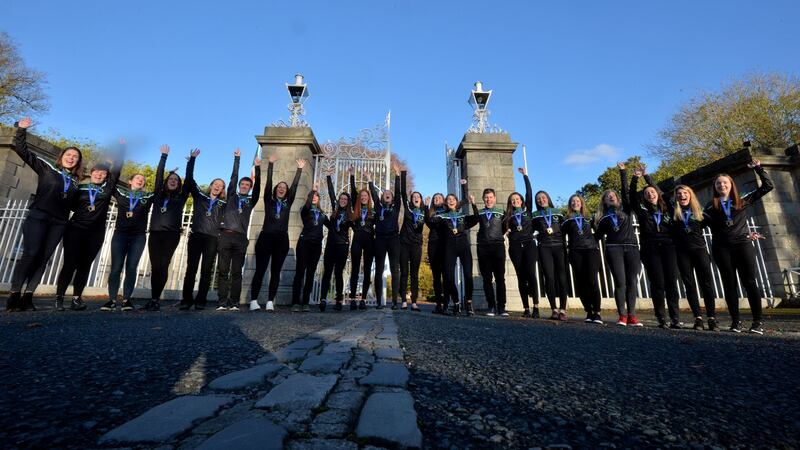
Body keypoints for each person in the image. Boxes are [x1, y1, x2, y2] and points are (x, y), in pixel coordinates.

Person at [6, 117, 83, 312]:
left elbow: (76, 204)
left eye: (75, 156)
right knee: (31, 253)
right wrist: (21, 131)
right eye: (69, 154)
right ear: (62, 156)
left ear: (78, 162)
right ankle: (14, 295)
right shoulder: (47, 167)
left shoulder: (75, 182)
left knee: (44, 257)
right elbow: (23, 151)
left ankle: (28, 296)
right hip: (39, 216)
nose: (71, 157)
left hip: (59, 222)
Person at [705, 159, 773, 334]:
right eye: (718, 183)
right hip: (721, 248)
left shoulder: (742, 199)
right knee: (729, 284)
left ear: (731, 184)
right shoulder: (710, 206)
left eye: (725, 182)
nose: (722, 185)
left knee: (750, 282)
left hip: (742, 245)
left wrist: (758, 168)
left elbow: (767, 186)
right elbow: (698, 225)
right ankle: (736, 322)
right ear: (715, 187)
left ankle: (757, 322)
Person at [54, 149, 123, 311]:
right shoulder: (80, 188)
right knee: (69, 264)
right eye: (97, 172)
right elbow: (68, 205)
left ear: (106, 176)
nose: (99, 175)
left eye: (103, 173)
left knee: (85, 266)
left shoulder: (107, 189)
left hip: (96, 233)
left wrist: (121, 151)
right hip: (75, 230)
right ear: (91, 173)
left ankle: (76, 299)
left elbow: (116, 171)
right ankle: (59, 298)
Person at [102, 147, 164, 311]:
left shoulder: (147, 197)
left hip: (138, 236)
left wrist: (163, 158)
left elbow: (158, 186)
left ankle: (127, 300)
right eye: (137, 178)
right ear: (130, 181)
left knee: (131, 267)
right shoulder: (121, 193)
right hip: (120, 234)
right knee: (116, 267)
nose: (140, 180)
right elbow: (111, 180)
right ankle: (112, 300)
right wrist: (119, 154)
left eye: (142, 179)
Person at [144, 146, 196, 312]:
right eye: (171, 179)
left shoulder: (181, 197)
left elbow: (188, 180)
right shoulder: (158, 195)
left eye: (176, 179)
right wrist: (163, 157)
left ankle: (156, 299)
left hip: (171, 235)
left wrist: (191, 161)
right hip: (155, 234)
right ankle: (153, 298)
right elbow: (159, 176)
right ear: (167, 182)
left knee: (163, 265)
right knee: (155, 267)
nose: (173, 181)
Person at [630, 165, 682, 328]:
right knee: (658, 283)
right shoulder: (642, 210)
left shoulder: (667, 205)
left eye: (652, 192)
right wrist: (635, 178)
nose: (650, 194)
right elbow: (632, 196)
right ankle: (661, 317)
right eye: (646, 194)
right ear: (644, 198)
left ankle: (675, 317)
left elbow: (662, 192)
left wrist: (647, 177)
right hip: (650, 247)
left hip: (668, 246)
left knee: (671, 283)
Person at [249, 156, 304, 311]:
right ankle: (253, 300)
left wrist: (299, 170)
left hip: (281, 239)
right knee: (260, 269)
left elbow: (294, 186)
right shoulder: (269, 200)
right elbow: (267, 184)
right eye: (279, 187)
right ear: (275, 190)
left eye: (284, 188)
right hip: (265, 237)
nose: (281, 189)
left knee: (276, 270)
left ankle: (270, 301)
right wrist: (270, 165)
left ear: (286, 192)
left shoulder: (288, 202)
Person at [595, 162, 642, 327]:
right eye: (607, 196)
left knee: (632, 282)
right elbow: (596, 237)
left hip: (632, 248)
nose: (611, 196)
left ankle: (632, 315)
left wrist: (624, 172)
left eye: (613, 194)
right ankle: (622, 315)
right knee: (620, 282)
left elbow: (626, 191)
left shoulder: (627, 210)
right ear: (605, 202)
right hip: (613, 249)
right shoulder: (603, 219)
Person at [216, 150, 260, 311]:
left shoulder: (250, 200)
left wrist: (258, 169)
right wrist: (237, 159)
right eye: (242, 184)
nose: (244, 186)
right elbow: (233, 178)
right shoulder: (232, 197)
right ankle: (222, 302)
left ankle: (234, 302)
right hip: (225, 236)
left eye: (247, 185)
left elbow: (259, 187)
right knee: (222, 271)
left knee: (236, 272)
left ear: (250, 188)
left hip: (240, 239)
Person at [182, 161, 227, 311]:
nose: (218, 186)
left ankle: (201, 300)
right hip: (196, 236)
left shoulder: (223, 204)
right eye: (216, 183)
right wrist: (192, 161)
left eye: (221, 185)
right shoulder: (200, 196)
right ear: (211, 185)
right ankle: (186, 300)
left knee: (206, 271)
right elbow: (189, 179)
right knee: (191, 269)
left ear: (222, 190)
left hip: (212, 239)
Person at [672, 185, 717, 331]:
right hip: (682, 253)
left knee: (706, 284)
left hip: (700, 251)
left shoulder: (700, 211)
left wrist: (745, 234)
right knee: (689, 285)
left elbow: (719, 226)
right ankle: (698, 318)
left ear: (690, 195)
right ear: (676, 197)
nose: (682, 196)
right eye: (679, 194)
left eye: (685, 193)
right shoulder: (673, 213)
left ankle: (711, 318)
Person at [430, 180, 478, 315]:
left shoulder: (463, 215)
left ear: (457, 202)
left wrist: (473, 203)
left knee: (468, 275)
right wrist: (428, 207)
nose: (451, 200)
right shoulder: (441, 216)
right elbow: (431, 221)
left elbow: (475, 219)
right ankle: (456, 302)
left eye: (453, 199)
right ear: (446, 203)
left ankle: (468, 303)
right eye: (448, 199)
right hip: (449, 248)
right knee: (449, 278)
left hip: (463, 246)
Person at [561, 194, 603, 324]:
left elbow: (598, 232)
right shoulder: (567, 220)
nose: (575, 203)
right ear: (570, 204)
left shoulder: (589, 217)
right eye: (572, 201)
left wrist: (593, 243)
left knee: (592, 280)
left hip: (591, 251)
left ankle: (596, 312)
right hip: (575, 252)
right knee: (580, 282)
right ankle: (588, 311)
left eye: (577, 201)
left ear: (581, 203)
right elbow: (561, 235)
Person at [506, 168, 540, 318]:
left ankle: (536, 306)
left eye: (517, 199)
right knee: (521, 276)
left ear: (521, 201)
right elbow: (502, 229)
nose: (515, 201)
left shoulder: (528, 211)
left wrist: (525, 176)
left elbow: (529, 193)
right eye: (513, 200)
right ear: (511, 203)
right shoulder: (508, 215)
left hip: (529, 244)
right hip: (515, 246)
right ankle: (526, 307)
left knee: (531, 274)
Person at [531, 187, 569, 320]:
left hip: (559, 246)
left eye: (543, 197)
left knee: (562, 277)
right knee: (549, 278)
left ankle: (563, 309)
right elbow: (529, 229)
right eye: (538, 199)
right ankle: (554, 308)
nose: (541, 200)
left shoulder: (558, 212)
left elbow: (565, 228)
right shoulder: (535, 215)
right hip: (544, 247)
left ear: (548, 198)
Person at [368, 167, 402, 309]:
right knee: (379, 269)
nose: (387, 194)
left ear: (392, 197)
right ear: (383, 197)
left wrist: (398, 176)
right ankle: (379, 302)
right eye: (385, 194)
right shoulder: (378, 205)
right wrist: (370, 180)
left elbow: (399, 192)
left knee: (395, 269)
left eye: (389, 193)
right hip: (380, 239)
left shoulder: (396, 206)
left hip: (394, 239)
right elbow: (374, 193)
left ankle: (394, 301)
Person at [471, 186, 507, 316]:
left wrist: (505, 234)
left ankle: (501, 307)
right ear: (483, 199)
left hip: (498, 247)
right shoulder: (480, 212)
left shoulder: (501, 212)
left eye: (491, 197)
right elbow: (473, 220)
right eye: (486, 197)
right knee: (487, 278)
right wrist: (473, 204)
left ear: (495, 199)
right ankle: (491, 306)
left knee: (500, 279)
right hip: (483, 247)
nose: (489, 199)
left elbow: (506, 227)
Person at [291, 184, 327, 312]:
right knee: (300, 273)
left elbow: (332, 226)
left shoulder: (322, 213)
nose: (315, 197)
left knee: (311, 274)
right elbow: (307, 206)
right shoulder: (305, 209)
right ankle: (295, 302)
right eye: (312, 196)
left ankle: (305, 302)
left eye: (317, 196)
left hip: (316, 246)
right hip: (304, 243)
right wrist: (314, 190)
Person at [319, 174, 351, 311]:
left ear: (348, 201)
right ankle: (323, 299)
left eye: (345, 199)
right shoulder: (335, 208)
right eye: (341, 198)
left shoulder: (350, 214)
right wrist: (328, 177)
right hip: (331, 244)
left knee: (338, 272)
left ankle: (339, 300)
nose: (343, 200)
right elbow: (332, 193)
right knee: (327, 272)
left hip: (342, 246)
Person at [348, 168, 376, 311]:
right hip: (358, 238)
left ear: (369, 198)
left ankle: (363, 299)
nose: (364, 197)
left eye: (366, 195)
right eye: (362, 195)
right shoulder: (356, 207)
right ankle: (352, 298)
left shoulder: (373, 210)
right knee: (355, 269)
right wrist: (352, 176)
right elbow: (353, 191)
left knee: (366, 270)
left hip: (370, 239)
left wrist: (370, 180)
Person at [399, 170, 425, 311]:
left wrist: (427, 207)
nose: (416, 198)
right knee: (404, 272)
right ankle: (403, 300)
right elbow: (403, 193)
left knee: (414, 274)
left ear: (420, 200)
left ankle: (414, 302)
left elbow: (428, 223)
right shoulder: (408, 209)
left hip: (416, 245)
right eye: (414, 196)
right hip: (404, 244)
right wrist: (402, 175)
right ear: (411, 199)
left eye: (418, 197)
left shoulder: (424, 211)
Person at [425, 193, 448, 314]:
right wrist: (426, 206)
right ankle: (438, 304)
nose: (436, 199)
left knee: (446, 275)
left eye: (438, 198)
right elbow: (427, 222)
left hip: (445, 244)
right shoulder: (431, 213)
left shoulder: (448, 210)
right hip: (433, 244)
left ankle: (447, 304)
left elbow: (461, 202)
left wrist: (464, 187)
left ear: (443, 200)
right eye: (434, 198)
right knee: (436, 276)